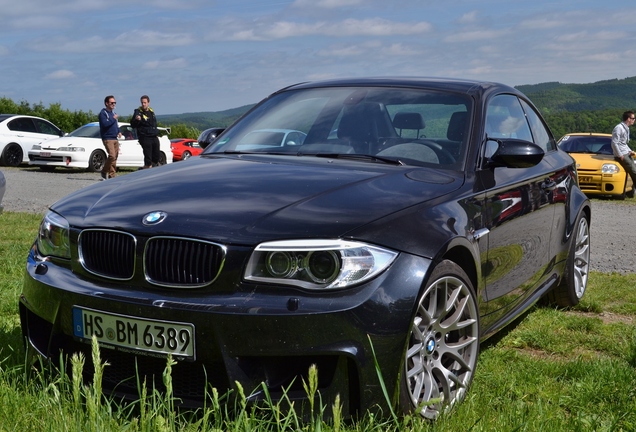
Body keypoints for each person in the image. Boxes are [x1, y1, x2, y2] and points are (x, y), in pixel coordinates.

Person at [131, 95, 160, 169]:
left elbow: (154, 124)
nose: (143, 104)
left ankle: (146, 168)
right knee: (148, 157)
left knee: (156, 156)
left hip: (153, 135)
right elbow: (133, 125)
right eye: (142, 103)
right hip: (145, 137)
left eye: (145, 102)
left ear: (148, 103)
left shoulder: (151, 111)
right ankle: (147, 168)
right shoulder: (138, 112)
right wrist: (137, 119)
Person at [98, 95, 120, 180]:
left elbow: (116, 125)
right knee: (112, 156)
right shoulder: (103, 114)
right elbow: (105, 124)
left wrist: (119, 131)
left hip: (115, 138)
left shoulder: (113, 114)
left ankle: (112, 175)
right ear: (107, 103)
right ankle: (104, 171)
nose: (113, 104)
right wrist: (113, 119)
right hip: (107, 138)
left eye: (115, 102)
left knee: (115, 157)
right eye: (112, 103)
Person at [611, 110, 636, 185]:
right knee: (634, 171)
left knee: (634, 171)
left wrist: (630, 151)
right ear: (628, 119)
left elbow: (623, 143)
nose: (634, 120)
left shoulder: (626, 128)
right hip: (622, 155)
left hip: (626, 153)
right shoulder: (619, 128)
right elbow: (614, 143)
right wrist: (620, 155)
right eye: (633, 118)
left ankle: (632, 191)